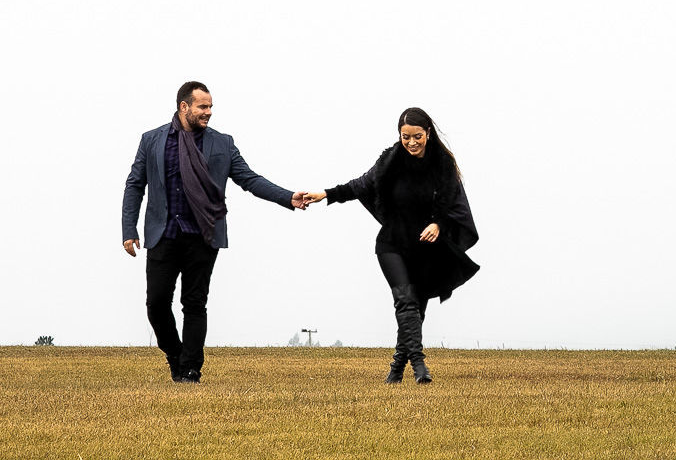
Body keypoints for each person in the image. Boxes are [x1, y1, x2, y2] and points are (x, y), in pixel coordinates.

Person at [121, 81, 312, 382]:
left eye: (210, 107)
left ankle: (191, 369)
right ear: (184, 107)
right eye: (203, 106)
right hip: (163, 233)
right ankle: (175, 354)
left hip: (203, 234)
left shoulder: (222, 143)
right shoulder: (152, 140)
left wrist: (287, 197)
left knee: (194, 303)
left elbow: (249, 179)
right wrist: (128, 229)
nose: (208, 112)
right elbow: (135, 185)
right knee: (156, 304)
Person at [299, 107, 479, 384]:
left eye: (417, 136)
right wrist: (326, 194)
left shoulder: (442, 166)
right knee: (405, 301)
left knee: (416, 309)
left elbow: (452, 204)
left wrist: (438, 224)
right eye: (405, 137)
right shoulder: (390, 161)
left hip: (425, 248)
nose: (411, 142)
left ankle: (396, 369)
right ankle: (420, 366)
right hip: (392, 243)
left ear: (428, 133)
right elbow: (360, 185)